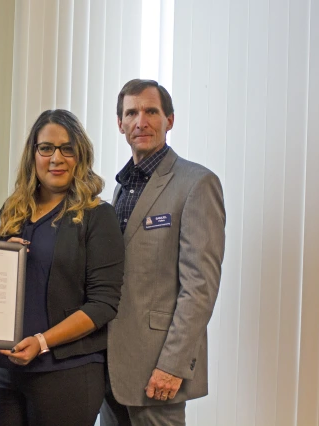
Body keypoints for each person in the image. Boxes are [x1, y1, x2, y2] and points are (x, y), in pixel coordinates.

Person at [101, 79, 226, 426]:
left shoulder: (196, 184)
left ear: (169, 120)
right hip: (112, 370)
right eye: (131, 112)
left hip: (158, 370)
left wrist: (173, 365)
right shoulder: (120, 189)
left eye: (151, 111)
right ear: (120, 124)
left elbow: (199, 287)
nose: (141, 121)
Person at [0, 109, 125, 426]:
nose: (56, 158)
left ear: (80, 156)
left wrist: (42, 341)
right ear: (33, 155)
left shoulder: (97, 215)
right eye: (46, 148)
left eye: (67, 149)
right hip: (8, 370)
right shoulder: (13, 211)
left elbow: (103, 304)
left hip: (68, 371)